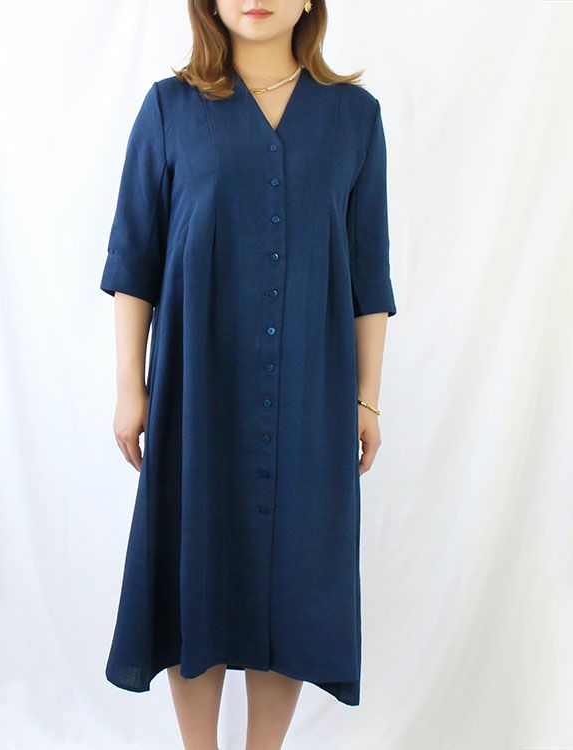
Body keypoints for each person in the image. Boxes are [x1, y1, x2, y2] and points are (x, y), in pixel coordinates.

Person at [99, 1, 397, 747]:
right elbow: (134, 258)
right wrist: (131, 387)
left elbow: (369, 274)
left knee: (294, 579)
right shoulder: (168, 109)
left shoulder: (355, 118)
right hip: (194, 390)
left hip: (312, 392)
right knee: (192, 571)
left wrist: (367, 399)